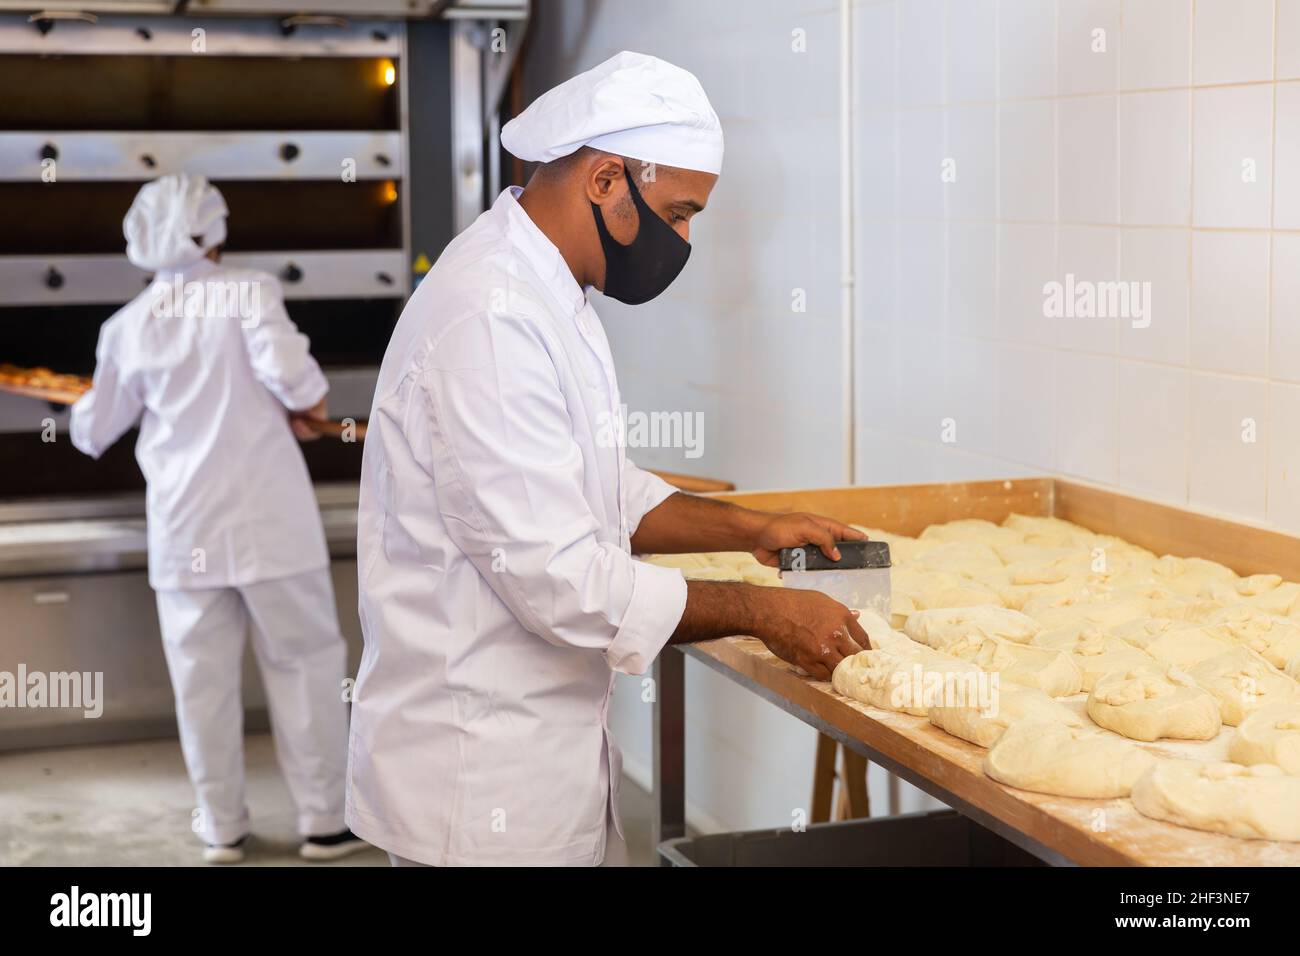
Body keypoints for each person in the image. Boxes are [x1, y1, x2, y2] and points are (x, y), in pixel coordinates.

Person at [346, 52, 870, 867]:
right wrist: (764, 612)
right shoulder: (492, 316)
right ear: (604, 181)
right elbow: (561, 579)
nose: (685, 240)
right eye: (679, 211)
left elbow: (599, 492)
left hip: (537, 761)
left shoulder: (549, 291)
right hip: (480, 785)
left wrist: (749, 527)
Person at [70, 173, 366, 864]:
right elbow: (296, 382)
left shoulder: (125, 328)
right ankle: (324, 823)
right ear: (215, 232)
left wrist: (74, 397)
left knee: (199, 682)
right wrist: (303, 402)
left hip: (185, 529)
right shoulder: (250, 291)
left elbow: (91, 431)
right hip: (271, 525)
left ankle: (222, 828)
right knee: (306, 666)